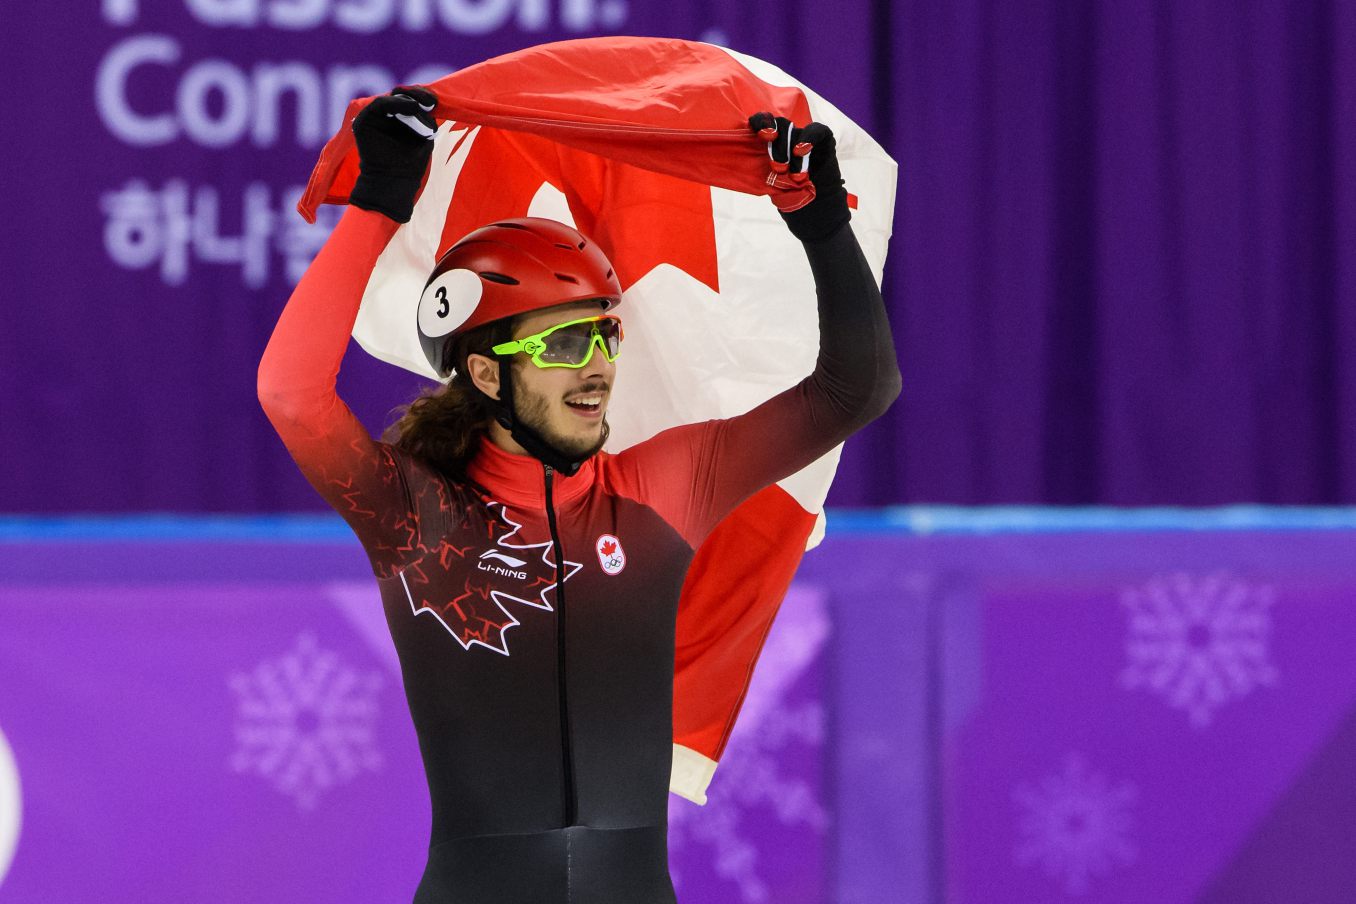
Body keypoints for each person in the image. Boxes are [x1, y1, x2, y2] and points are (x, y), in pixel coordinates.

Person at [258, 86, 900, 904]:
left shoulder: (664, 485)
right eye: (564, 341)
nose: (597, 363)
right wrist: (377, 204)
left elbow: (857, 388)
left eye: (605, 332)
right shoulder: (416, 515)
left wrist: (821, 227)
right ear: (486, 372)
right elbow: (292, 393)